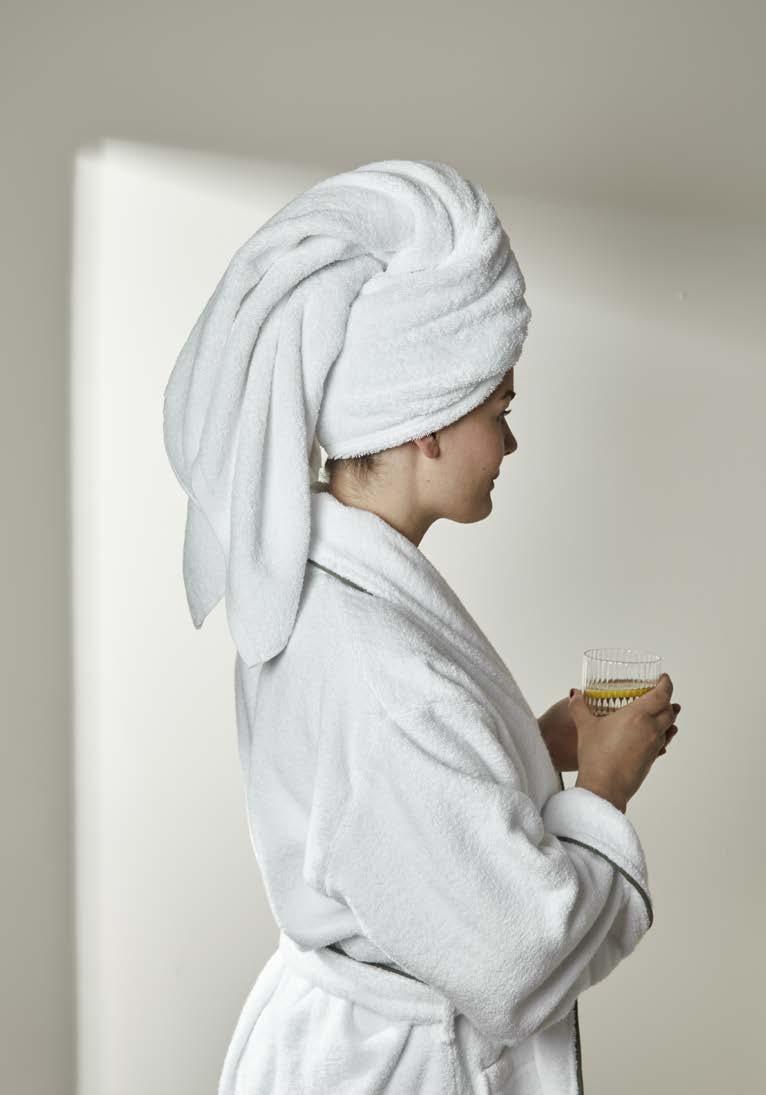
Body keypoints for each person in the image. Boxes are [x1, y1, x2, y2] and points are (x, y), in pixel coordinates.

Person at [163, 159, 681, 1094]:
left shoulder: (319, 582)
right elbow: (517, 954)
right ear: (429, 422)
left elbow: (390, 817)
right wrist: (606, 786)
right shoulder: (380, 668)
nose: (511, 442)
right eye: (499, 409)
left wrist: (532, 745)